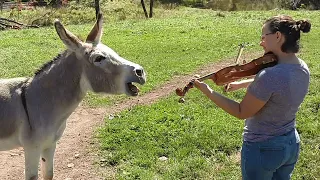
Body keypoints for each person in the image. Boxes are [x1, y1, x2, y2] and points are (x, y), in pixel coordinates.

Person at [193, 15, 311, 179]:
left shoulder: (269, 76)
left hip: (263, 148)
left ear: (277, 36)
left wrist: (208, 91)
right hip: (290, 143)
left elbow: (241, 111)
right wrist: (242, 84)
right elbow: (280, 85)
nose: (261, 42)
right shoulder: (302, 67)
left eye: (264, 37)